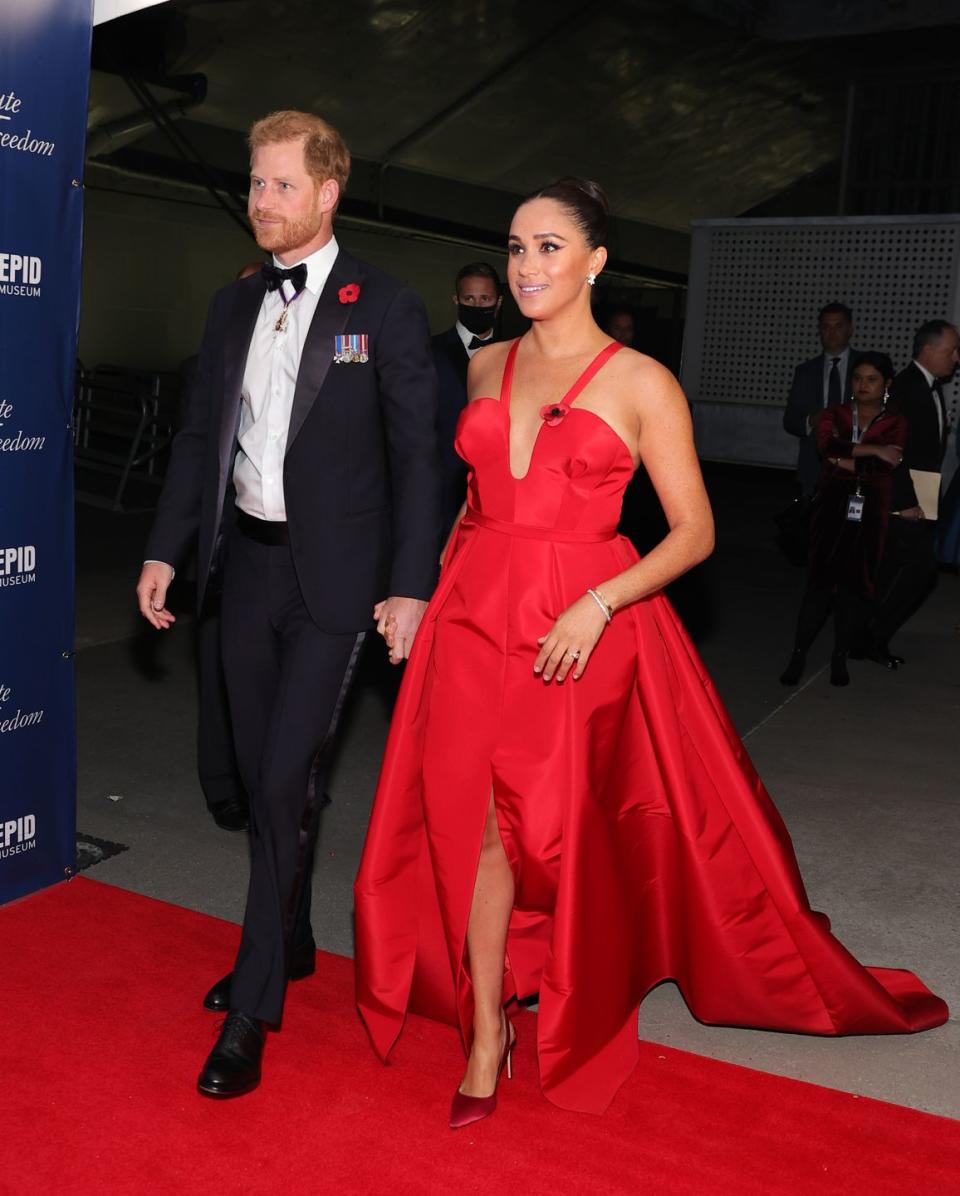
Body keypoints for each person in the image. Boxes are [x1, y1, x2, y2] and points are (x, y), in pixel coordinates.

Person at [353, 179, 947, 1126]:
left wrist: (600, 599)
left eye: (550, 247)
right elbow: (471, 503)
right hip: (472, 618)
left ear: (594, 262)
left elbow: (695, 532)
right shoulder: (485, 365)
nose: (527, 266)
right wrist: (420, 593)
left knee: (562, 831)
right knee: (479, 827)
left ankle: (575, 985)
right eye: (515, 247)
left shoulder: (641, 381)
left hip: (578, 627)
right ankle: (485, 1034)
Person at [136, 110, 440, 1098]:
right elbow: (198, 443)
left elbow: (415, 457)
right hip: (244, 570)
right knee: (270, 776)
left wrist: (409, 582)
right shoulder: (232, 308)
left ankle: (255, 1006)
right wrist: (164, 550)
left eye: (277, 185)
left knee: (279, 784)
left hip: (337, 584)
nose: (260, 201)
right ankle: (296, 936)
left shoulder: (382, 308)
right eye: (255, 183)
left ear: (325, 192)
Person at [779, 353, 906, 688]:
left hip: (870, 511)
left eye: (871, 379)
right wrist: (874, 450)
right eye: (857, 378)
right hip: (831, 508)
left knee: (853, 587)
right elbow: (825, 447)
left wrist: (848, 459)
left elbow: (884, 467)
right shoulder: (835, 413)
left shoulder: (895, 421)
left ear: (886, 384)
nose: (862, 385)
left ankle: (839, 656)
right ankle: (798, 653)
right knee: (818, 585)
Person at [866, 320, 960, 661]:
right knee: (920, 571)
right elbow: (893, 450)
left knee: (891, 569)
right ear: (929, 350)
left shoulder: (929, 386)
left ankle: (866, 637)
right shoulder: (906, 387)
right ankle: (874, 636)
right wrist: (905, 502)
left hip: (921, 494)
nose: (956, 358)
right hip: (903, 497)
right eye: (951, 351)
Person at [432, 263, 503, 532]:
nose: (477, 305)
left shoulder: (517, 356)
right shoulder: (428, 352)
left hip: (495, 493)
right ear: (456, 300)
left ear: (498, 302)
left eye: (484, 299)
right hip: (441, 489)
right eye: (469, 299)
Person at [783, 303, 860, 497]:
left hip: (856, 463)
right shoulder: (805, 371)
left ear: (850, 329)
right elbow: (790, 421)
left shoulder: (865, 367)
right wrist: (811, 420)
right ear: (819, 331)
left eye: (838, 326)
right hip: (815, 467)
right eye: (826, 327)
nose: (832, 332)